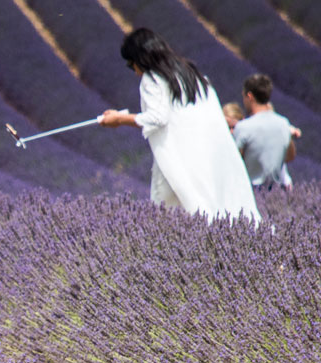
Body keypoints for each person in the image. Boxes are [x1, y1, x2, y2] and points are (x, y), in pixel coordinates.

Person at [99, 28, 259, 222]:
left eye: (131, 64)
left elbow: (158, 118)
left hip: (177, 159)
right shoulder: (191, 73)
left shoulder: (153, 79)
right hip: (209, 156)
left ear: (141, 58)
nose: (134, 71)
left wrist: (119, 119)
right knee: (214, 210)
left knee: (166, 215)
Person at [234, 73, 296, 189]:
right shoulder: (283, 124)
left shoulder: (243, 127)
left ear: (250, 96)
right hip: (277, 192)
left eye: (244, 97)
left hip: (251, 190)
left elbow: (235, 162)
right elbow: (290, 157)